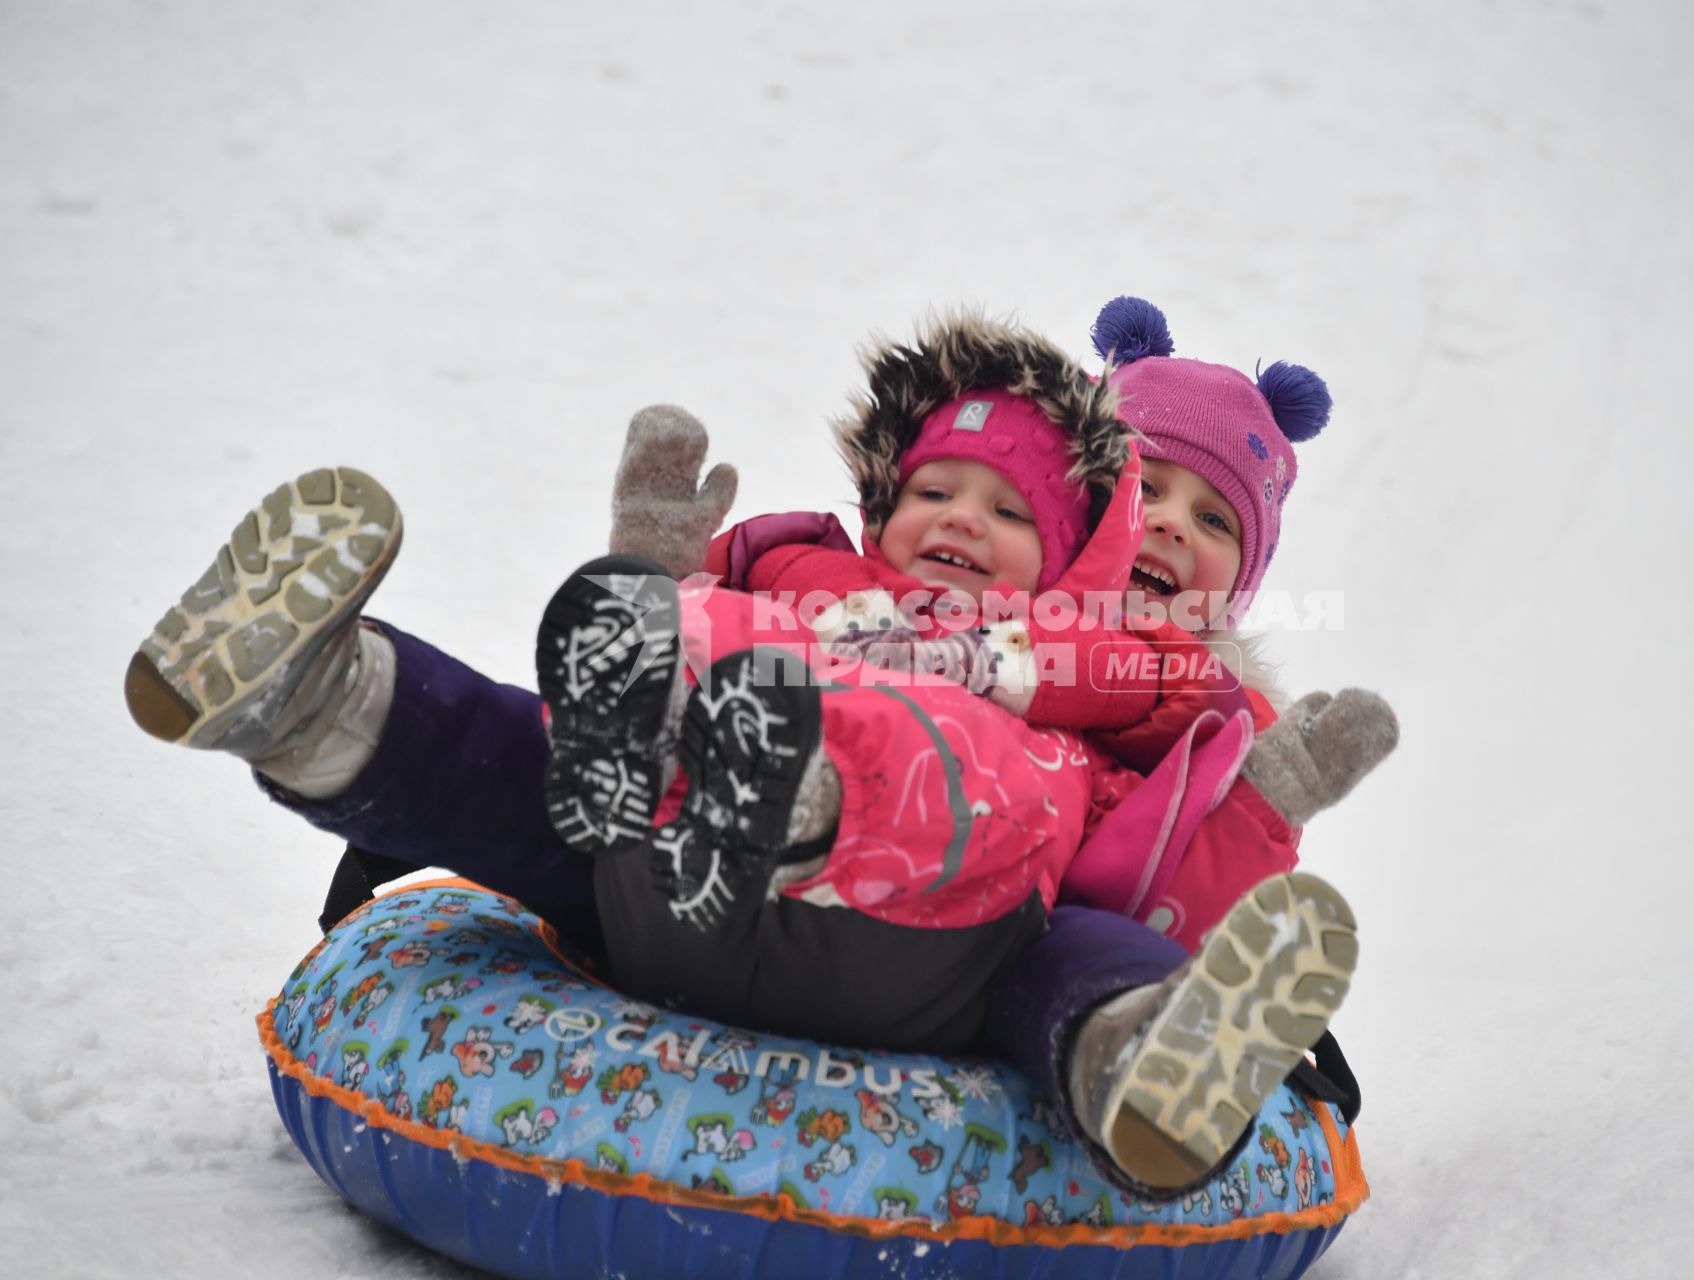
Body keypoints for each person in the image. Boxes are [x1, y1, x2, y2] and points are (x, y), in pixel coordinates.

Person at [121, 308, 1384, 1197]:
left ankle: (1141, 1061)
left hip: (941, 937)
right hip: (678, 857)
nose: (1164, 526)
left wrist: (1257, 805)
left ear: (1074, 559)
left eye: (1207, 517)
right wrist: (658, 583)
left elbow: (1144, 891)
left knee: (1084, 951)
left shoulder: (1137, 707)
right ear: (881, 510)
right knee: (534, 763)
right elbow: (672, 653)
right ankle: (321, 699)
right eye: (939, 493)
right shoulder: (812, 577)